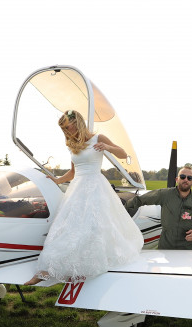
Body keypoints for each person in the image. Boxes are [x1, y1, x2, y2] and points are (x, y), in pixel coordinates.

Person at [25, 110, 144, 284]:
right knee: (67, 228)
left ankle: (88, 267)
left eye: (68, 127)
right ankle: (47, 270)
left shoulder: (98, 138)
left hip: (96, 188)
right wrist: (57, 180)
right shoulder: (73, 145)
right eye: (64, 130)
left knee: (93, 228)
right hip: (77, 190)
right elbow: (73, 172)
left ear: (77, 122)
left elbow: (123, 153)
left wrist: (108, 148)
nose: (67, 132)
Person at [124, 164, 192, 249]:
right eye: (182, 177)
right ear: (177, 179)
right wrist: (121, 208)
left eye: (189, 178)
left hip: (188, 249)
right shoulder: (164, 195)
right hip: (166, 247)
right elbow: (141, 200)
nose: (186, 180)